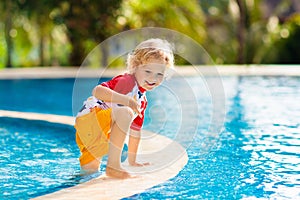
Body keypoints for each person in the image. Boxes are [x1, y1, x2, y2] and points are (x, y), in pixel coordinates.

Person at [75, 38, 174, 179]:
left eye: (160, 74)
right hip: (90, 119)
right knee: (125, 112)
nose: (153, 78)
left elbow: (135, 131)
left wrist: (132, 161)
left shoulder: (142, 100)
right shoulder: (127, 81)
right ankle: (113, 166)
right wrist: (125, 100)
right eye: (148, 71)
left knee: (89, 172)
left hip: (98, 130)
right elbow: (97, 91)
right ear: (135, 67)